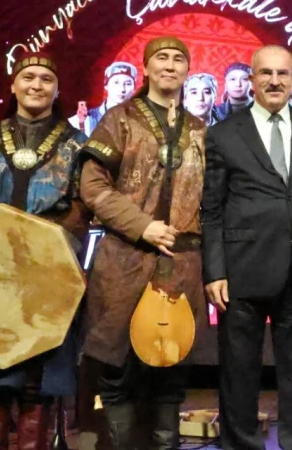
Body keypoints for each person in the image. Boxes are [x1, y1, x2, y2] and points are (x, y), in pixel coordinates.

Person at [0, 52, 89, 450]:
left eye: (46, 79)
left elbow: (82, 206)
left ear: (57, 90)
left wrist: (52, 246)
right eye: (28, 77)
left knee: (37, 377)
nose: (36, 85)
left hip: (48, 267)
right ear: (13, 85)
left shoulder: (77, 143)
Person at [79, 36, 209, 449]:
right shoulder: (119, 119)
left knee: (170, 372)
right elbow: (93, 186)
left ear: (187, 70)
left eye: (178, 59)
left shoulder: (201, 129)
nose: (170, 65)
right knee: (117, 370)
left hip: (182, 265)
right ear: (147, 67)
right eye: (161, 58)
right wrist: (142, 226)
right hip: (124, 258)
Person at [201, 45, 292, 450]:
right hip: (241, 269)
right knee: (238, 372)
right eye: (266, 73)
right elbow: (211, 208)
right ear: (252, 80)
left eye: (283, 74)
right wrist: (214, 271)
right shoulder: (223, 133)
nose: (275, 81)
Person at [69, 61, 137, 134]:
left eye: (128, 84)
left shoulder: (140, 119)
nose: (122, 89)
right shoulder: (84, 120)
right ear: (106, 85)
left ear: (134, 87)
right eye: (116, 82)